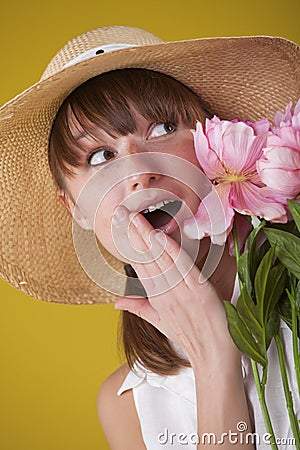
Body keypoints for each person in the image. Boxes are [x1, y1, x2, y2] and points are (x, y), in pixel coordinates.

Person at [0, 26, 299, 449]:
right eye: (100, 156)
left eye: (161, 128)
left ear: (212, 142)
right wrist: (214, 358)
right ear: (76, 209)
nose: (140, 172)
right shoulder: (128, 407)